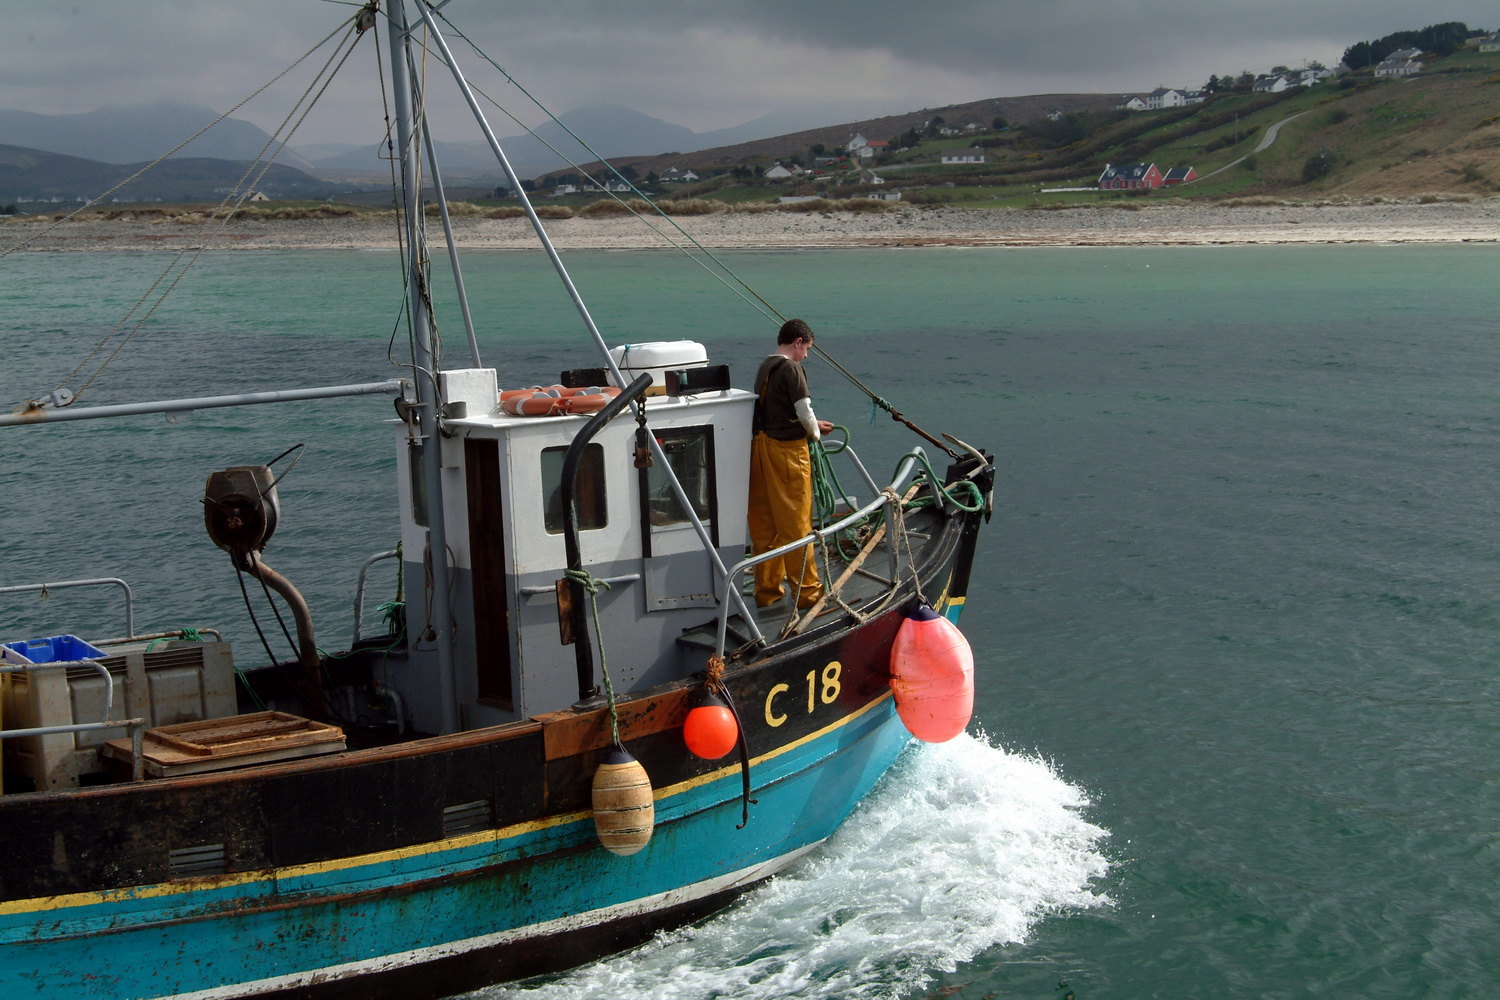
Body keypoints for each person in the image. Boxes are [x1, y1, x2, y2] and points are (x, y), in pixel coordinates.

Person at [747, 318, 833, 609]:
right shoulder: (792, 369)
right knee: (796, 524)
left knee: (765, 526)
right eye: (806, 348)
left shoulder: (764, 367)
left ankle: (767, 592)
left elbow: (776, 410)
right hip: (787, 453)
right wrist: (815, 434)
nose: (806, 355)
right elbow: (803, 409)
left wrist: (811, 423)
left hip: (761, 450)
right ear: (797, 342)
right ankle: (808, 594)